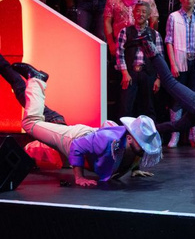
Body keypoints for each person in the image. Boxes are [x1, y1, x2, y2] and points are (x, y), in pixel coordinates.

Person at [12, 62, 162, 187]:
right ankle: (37, 81)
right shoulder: (107, 139)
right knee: (30, 124)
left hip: (87, 150)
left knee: (54, 154)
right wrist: (79, 177)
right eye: (142, 143)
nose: (144, 148)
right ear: (129, 138)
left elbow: (132, 155)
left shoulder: (137, 148)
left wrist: (134, 169)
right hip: (74, 139)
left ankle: (26, 152)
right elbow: (77, 146)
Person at [164, 0, 195, 148]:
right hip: (180, 61)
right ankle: (174, 135)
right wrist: (173, 63)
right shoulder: (173, 17)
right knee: (177, 98)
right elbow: (169, 41)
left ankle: (194, 135)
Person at [116, 0, 163, 120]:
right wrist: (125, 73)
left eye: (144, 12)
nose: (140, 14)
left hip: (148, 74)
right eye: (138, 11)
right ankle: (125, 137)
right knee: (125, 108)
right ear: (133, 14)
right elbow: (119, 53)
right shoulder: (125, 32)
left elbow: (160, 58)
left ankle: (149, 137)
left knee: (149, 108)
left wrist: (158, 78)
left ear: (148, 15)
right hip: (130, 74)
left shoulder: (155, 34)